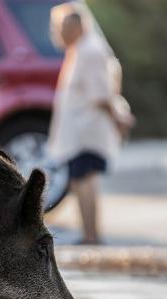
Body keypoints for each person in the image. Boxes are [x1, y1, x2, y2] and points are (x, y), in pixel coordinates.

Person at [47, 3, 134, 245]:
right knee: (81, 180)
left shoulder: (90, 51)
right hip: (79, 131)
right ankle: (90, 233)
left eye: (61, 28)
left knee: (84, 180)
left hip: (87, 132)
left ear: (76, 27)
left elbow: (101, 94)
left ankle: (91, 235)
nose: (58, 33)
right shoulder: (80, 50)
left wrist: (117, 118)